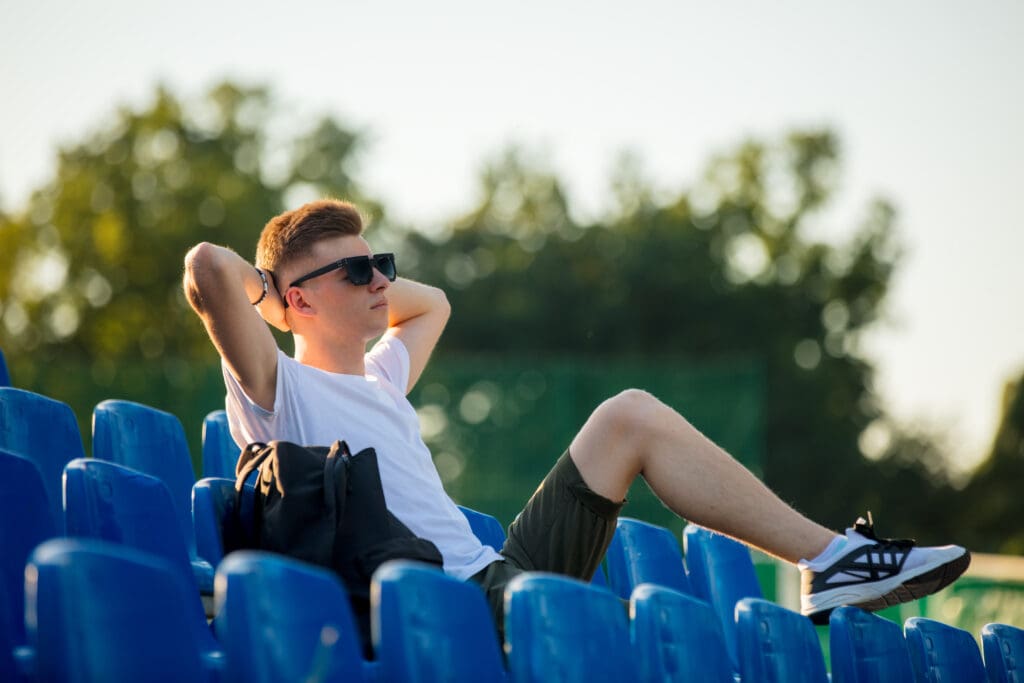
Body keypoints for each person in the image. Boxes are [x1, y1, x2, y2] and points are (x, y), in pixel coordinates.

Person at [183, 198, 969, 628]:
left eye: (380, 263)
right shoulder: (276, 388)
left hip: (499, 575)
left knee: (628, 414)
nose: (382, 280)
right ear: (296, 298)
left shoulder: (384, 379)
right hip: (445, 603)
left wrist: (349, 277)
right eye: (357, 270)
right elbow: (205, 269)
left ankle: (828, 561)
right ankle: (830, 562)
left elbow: (436, 305)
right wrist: (276, 298)